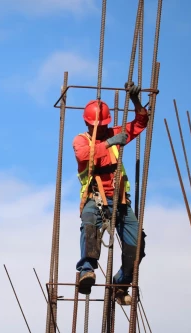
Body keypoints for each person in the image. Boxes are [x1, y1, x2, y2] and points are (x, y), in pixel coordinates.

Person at [72, 83, 148, 305]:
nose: (103, 129)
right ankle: (87, 270)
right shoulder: (81, 140)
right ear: (88, 123)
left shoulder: (114, 134)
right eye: (99, 126)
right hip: (94, 198)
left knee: (136, 249)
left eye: (105, 125)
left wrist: (135, 101)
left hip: (120, 201)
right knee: (89, 223)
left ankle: (120, 284)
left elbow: (140, 123)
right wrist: (108, 142)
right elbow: (84, 155)